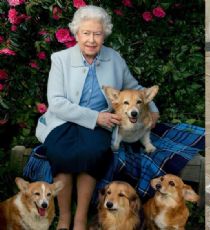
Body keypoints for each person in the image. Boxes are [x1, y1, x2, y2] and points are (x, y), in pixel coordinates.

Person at [35, 5, 159, 230]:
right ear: (76, 34)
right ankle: (64, 219)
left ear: (104, 34)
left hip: (99, 125)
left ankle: (80, 219)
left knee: (93, 153)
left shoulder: (114, 58)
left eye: (97, 34)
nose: (91, 39)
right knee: (60, 152)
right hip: (64, 120)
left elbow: (135, 88)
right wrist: (95, 117)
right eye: (86, 33)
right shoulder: (60, 59)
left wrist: (154, 110)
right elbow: (56, 102)